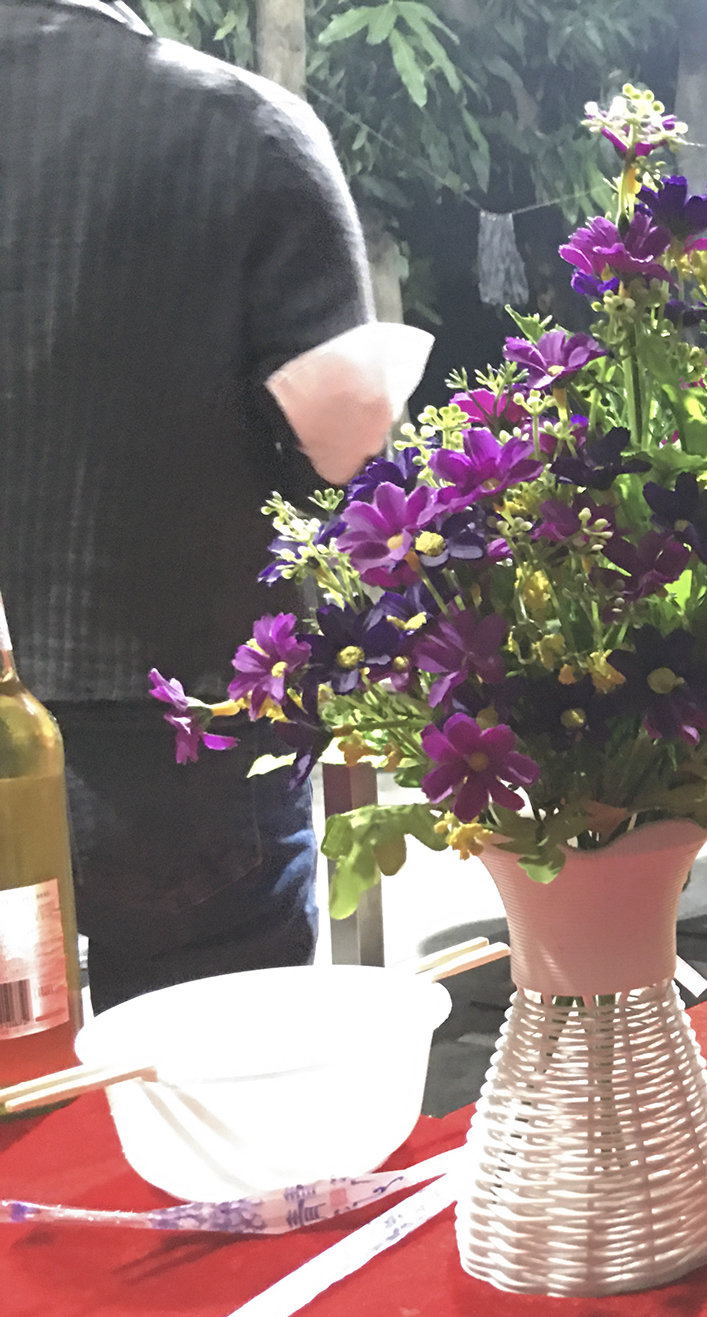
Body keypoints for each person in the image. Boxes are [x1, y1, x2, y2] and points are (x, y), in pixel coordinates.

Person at [0, 0, 427, 1007]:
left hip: (123, 724)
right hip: (182, 743)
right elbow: (348, 460)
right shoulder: (243, 133)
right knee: (203, 1082)